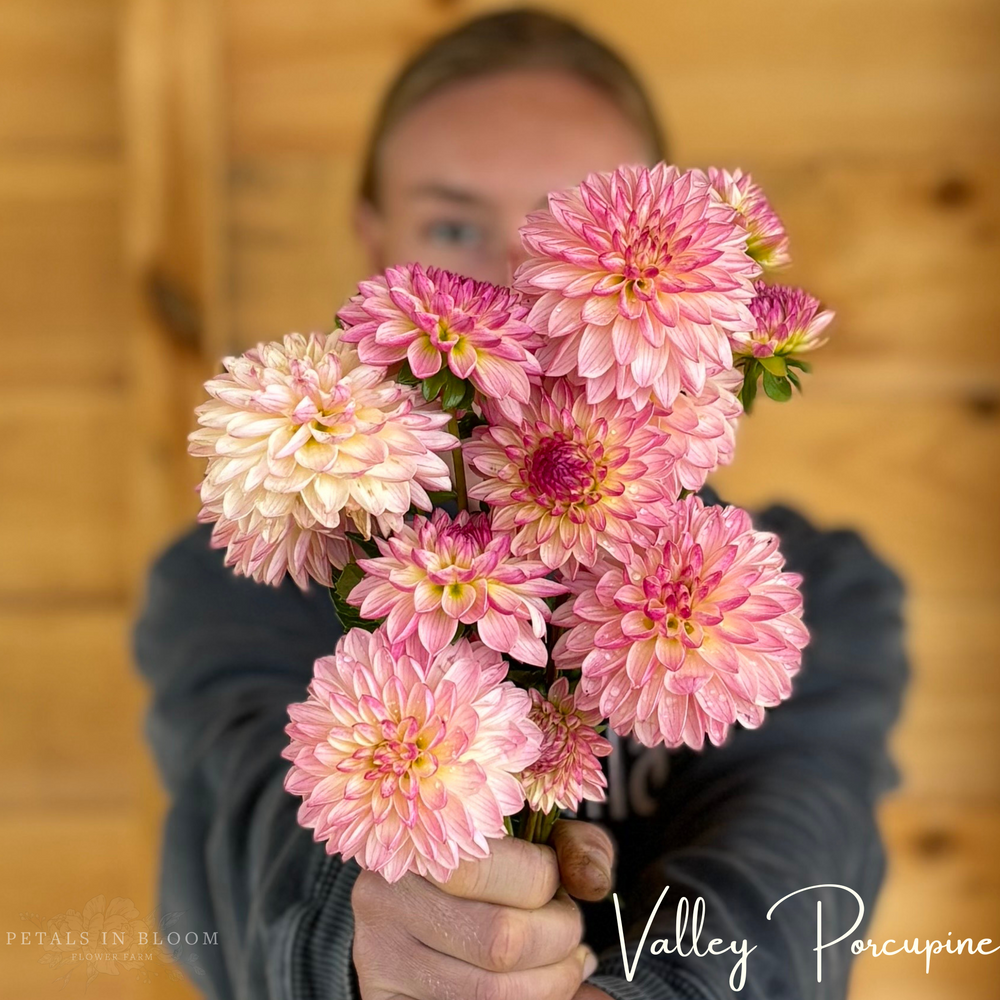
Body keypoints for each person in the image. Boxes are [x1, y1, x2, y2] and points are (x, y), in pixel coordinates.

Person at [134, 10, 908, 1000]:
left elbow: (796, 844)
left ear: (692, 265)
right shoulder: (239, 570)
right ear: (374, 243)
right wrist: (353, 940)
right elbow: (227, 828)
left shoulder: (818, 589)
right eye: (455, 227)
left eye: (564, 230)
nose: (518, 288)